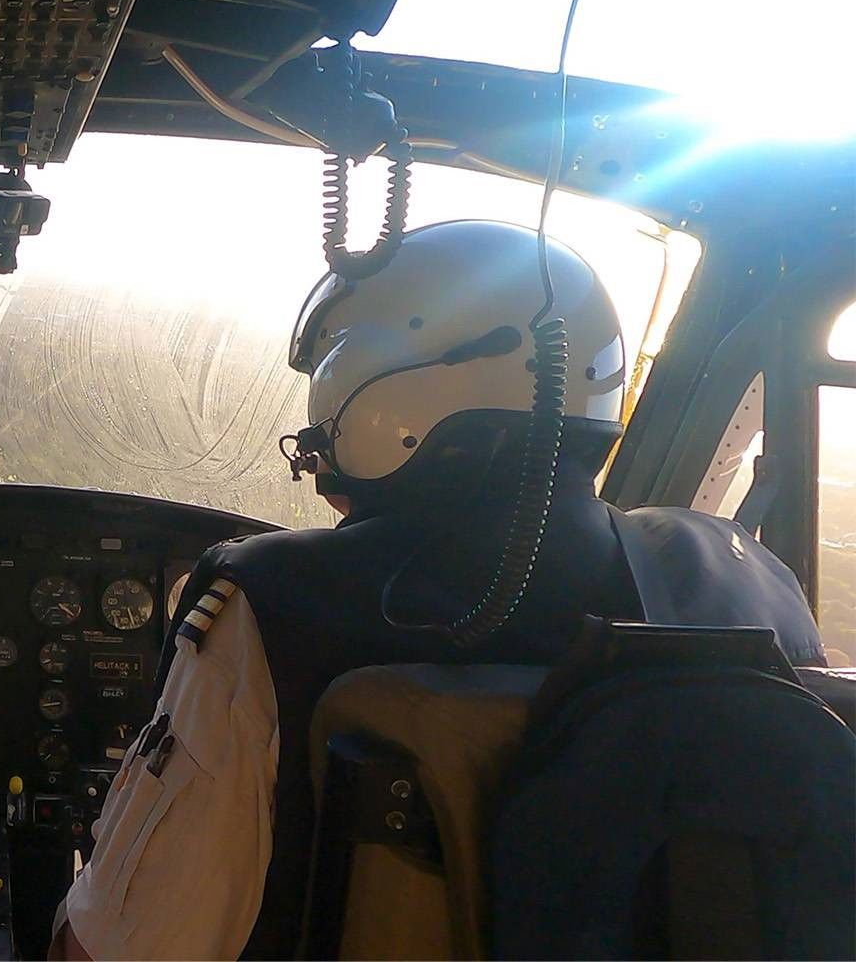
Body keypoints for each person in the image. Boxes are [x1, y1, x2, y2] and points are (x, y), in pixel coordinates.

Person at [52, 220, 825, 960]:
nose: (321, 478)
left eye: (320, 442)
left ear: (372, 393)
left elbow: (126, 945)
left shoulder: (273, 598)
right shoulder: (749, 580)